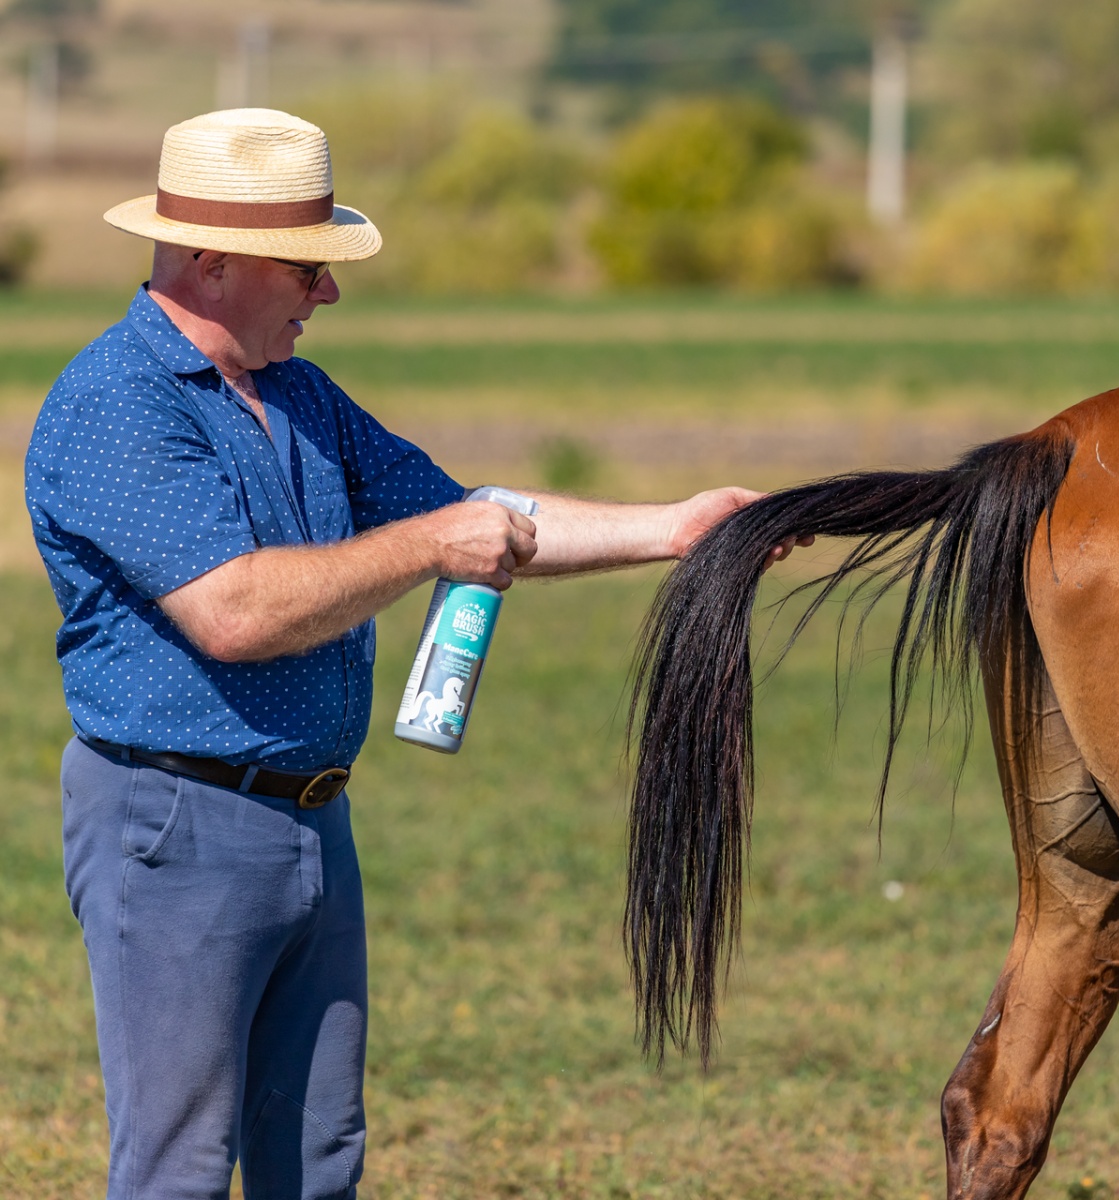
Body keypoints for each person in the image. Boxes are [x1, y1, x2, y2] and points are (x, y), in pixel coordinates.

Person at [25, 108, 801, 1200]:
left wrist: (674, 528)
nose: (326, 293)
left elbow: (471, 516)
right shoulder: (115, 406)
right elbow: (235, 613)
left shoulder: (297, 394)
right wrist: (432, 543)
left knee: (319, 1156)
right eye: (306, 265)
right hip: (177, 826)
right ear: (207, 258)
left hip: (309, 820)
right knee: (178, 1169)